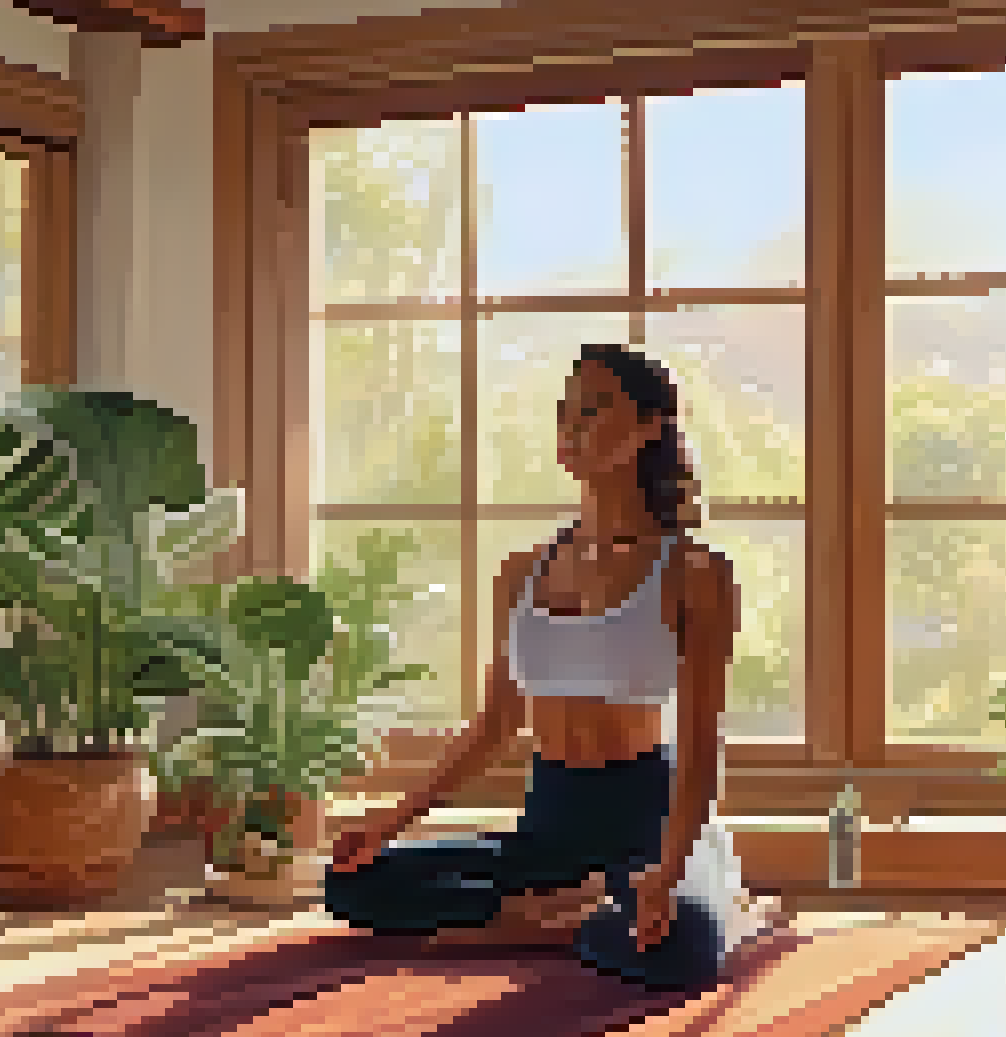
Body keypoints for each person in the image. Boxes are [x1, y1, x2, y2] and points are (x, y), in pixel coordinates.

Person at [323, 344, 766, 991]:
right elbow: (494, 726)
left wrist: (669, 871)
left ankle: (569, 918)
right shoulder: (521, 571)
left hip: (645, 815)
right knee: (349, 882)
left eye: (594, 408)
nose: (572, 426)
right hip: (550, 818)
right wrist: (387, 822)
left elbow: (700, 746)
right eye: (565, 412)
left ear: (651, 425)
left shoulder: (695, 574)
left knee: (685, 951)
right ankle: (570, 917)